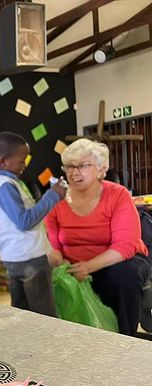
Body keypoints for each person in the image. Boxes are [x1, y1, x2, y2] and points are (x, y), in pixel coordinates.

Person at [45, 138, 150, 335]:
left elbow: (126, 245)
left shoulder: (117, 195)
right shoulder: (56, 197)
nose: (74, 173)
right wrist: (56, 256)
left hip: (117, 260)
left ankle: (126, 338)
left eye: (83, 166)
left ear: (101, 170)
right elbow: (52, 239)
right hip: (74, 264)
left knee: (123, 275)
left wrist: (89, 267)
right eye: (69, 166)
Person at [0, 132, 67, 316]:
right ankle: (47, 344)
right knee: (44, 313)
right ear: (3, 161)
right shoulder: (4, 184)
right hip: (29, 256)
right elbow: (24, 221)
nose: (24, 165)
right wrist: (52, 196)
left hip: (15, 257)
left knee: (22, 312)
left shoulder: (3, 182)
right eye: (21, 161)